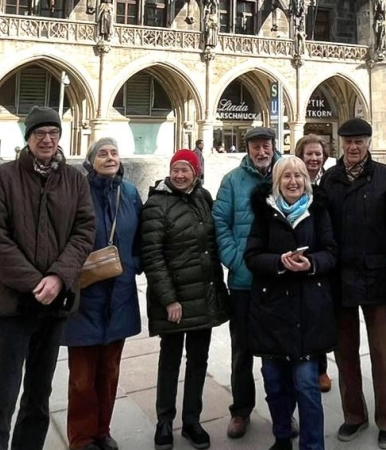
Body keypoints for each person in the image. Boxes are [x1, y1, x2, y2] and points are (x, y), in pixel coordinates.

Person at [0, 106, 96, 450]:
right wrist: (35, 282)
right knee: (1, 394)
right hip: (13, 304)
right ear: (28, 139)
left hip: (55, 305)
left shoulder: (75, 179)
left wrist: (59, 278)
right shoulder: (3, 177)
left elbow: (84, 230)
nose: (47, 140)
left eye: (53, 133)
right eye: (39, 134)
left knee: (38, 394)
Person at [320, 118, 386, 449]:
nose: (354, 147)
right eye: (348, 142)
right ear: (341, 144)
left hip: (379, 276)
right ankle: (353, 415)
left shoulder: (385, 177)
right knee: (344, 354)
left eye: (359, 141)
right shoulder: (330, 179)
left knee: (384, 355)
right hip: (341, 277)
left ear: (369, 143)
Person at [244, 157, 338, 450]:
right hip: (271, 311)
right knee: (274, 385)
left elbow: (332, 252)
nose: (294, 181)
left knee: (307, 387)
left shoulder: (317, 211)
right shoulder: (265, 212)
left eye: (298, 176)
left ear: (306, 180)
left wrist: (310, 263)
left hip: (308, 311)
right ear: (277, 182)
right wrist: (279, 263)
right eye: (286, 177)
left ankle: (312, 446)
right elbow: (252, 256)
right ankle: (282, 437)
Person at [142, 149, 228, 450]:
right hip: (174, 300)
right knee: (170, 360)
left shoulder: (204, 198)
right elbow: (152, 257)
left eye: (186, 170)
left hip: (203, 295)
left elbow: (213, 245)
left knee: (198, 361)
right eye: (175, 170)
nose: (180, 175)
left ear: (196, 172)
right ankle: (164, 421)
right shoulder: (156, 204)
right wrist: (169, 300)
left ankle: (192, 420)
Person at [60, 138, 143, 450]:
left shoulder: (130, 193)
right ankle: (81, 438)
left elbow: (140, 235)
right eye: (103, 154)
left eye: (114, 153)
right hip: (85, 293)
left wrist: (133, 265)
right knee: (81, 376)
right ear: (90, 160)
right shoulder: (76, 191)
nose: (110, 158)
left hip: (119, 294)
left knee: (109, 371)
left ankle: (102, 431)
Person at [213, 127, 281, 438]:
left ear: (273, 146)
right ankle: (240, 411)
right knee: (241, 351)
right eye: (256, 147)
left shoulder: (286, 172)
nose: (262, 152)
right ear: (248, 149)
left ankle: (281, 412)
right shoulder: (232, 181)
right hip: (243, 281)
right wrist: (238, 262)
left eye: (266, 146)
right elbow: (220, 224)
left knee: (278, 350)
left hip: (279, 280)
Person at [294, 133, 332, 392]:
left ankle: (321, 368)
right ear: (300, 156)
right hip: (297, 253)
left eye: (318, 154)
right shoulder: (292, 178)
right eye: (309, 154)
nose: (314, 158)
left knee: (319, 315)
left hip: (322, 255)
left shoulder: (328, 181)